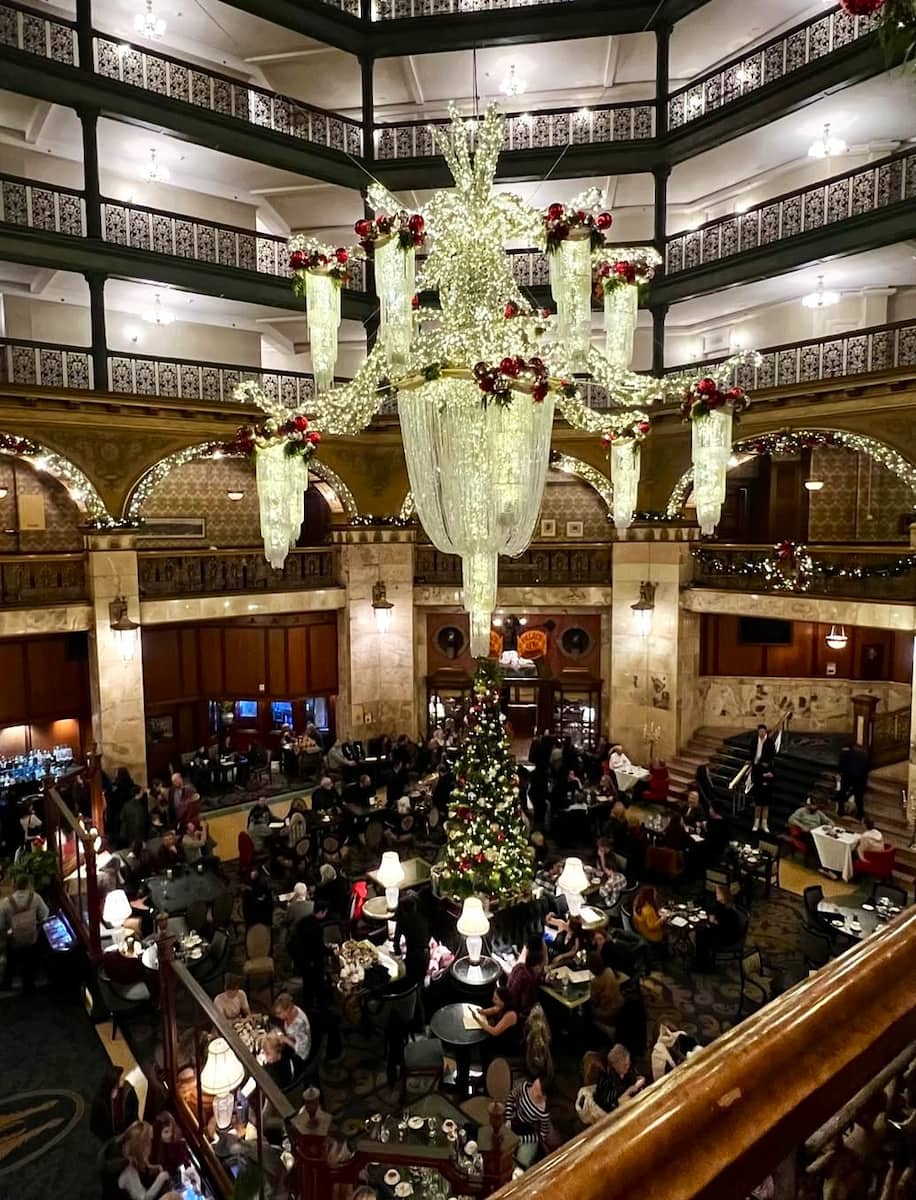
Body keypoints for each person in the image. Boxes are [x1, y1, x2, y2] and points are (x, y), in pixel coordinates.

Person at [0, 874, 48, 992]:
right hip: (31, 939)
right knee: (30, 963)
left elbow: (0, 924)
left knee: (11, 963)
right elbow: (45, 914)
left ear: (14, 885)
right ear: (28, 884)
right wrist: (36, 925)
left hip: (14, 941)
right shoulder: (35, 898)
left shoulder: (6, 902)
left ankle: (7, 985)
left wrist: (7, 931)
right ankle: (29, 986)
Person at [504, 1074, 559, 1160]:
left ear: (543, 1098)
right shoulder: (524, 1087)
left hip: (527, 1131)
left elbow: (542, 1134)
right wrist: (508, 1118)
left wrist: (521, 1139)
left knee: (524, 1156)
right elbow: (511, 1098)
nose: (531, 1091)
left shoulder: (543, 1113)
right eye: (533, 1086)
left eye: (535, 1092)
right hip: (513, 1121)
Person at [117, 1121, 170, 1200]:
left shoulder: (133, 1154)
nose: (151, 1146)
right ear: (142, 1145)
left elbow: (144, 1164)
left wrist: (153, 1167)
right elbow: (145, 1198)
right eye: (149, 1141)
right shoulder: (129, 1170)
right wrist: (161, 1178)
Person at [696, 883, 743, 969]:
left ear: (722, 896)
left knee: (701, 935)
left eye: (717, 893)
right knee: (702, 931)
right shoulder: (723, 905)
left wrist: (713, 921)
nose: (716, 894)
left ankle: (702, 964)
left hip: (728, 937)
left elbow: (721, 926)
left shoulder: (726, 910)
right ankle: (701, 959)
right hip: (726, 931)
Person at [90, 1063, 140, 1141]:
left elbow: (135, 1107)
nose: (124, 1078)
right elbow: (96, 1125)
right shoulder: (101, 1100)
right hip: (111, 1137)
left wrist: (132, 1128)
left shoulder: (128, 1090)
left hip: (127, 1132)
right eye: (121, 1078)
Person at [594, 1044, 645, 1113]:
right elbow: (606, 1103)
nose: (627, 1067)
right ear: (615, 1065)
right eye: (624, 1065)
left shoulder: (628, 1070)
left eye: (628, 1063)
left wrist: (639, 1082)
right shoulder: (606, 1078)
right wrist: (628, 1091)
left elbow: (639, 1077)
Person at [474, 985, 521, 1058]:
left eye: (496, 999)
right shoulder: (501, 1006)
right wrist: (482, 1011)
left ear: (503, 1001)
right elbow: (492, 1010)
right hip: (501, 1033)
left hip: (507, 1042)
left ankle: (486, 1063)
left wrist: (479, 1021)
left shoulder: (510, 1015)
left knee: (484, 1041)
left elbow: (495, 1032)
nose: (493, 1000)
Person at [506, 934, 547, 1016]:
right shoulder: (527, 977)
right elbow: (527, 1005)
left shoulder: (519, 967)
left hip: (510, 1008)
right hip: (518, 1015)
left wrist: (542, 979)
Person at [274, 992, 312, 1067]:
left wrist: (286, 1040)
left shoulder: (299, 1024)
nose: (277, 1016)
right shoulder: (292, 1010)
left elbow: (301, 1049)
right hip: (293, 1040)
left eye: (279, 1013)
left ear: (288, 1009)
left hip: (301, 1055)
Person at [588, 952, 625, 1028]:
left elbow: (594, 1002)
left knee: (586, 1009)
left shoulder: (596, 982)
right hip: (620, 1004)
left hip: (608, 1012)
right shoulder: (609, 970)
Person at [751, 725, 776, 833]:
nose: (761, 733)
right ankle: (756, 823)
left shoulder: (770, 742)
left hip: (767, 774)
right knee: (758, 802)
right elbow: (750, 752)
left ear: (765, 731)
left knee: (766, 804)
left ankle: (764, 824)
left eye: (763, 731)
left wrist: (769, 770)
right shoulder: (754, 740)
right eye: (760, 731)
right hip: (757, 772)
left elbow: (773, 755)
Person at [151, 1112, 190, 1179]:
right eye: (166, 1132)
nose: (170, 1135)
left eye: (172, 1130)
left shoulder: (178, 1144)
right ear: (158, 1132)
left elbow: (185, 1162)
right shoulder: (153, 1147)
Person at [838, 742, 870, 820]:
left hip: (847, 777)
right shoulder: (865, 755)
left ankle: (841, 811)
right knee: (858, 798)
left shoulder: (846, 753)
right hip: (860, 779)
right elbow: (867, 769)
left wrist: (841, 774)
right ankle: (860, 814)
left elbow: (841, 765)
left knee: (842, 794)